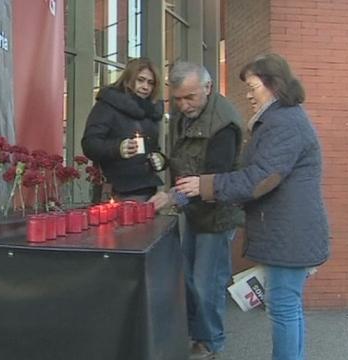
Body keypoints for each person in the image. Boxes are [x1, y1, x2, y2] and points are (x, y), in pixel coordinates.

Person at [157, 53, 330, 360]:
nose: (248, 94)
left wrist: (203, 185)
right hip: (286, 230)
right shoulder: (279, 119)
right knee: (287, 307)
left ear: (273, 85)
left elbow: (260, 178)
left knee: (283, 308)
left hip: (289, 232)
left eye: (253, 86)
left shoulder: (283, 123)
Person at [149, 61, 245, 360]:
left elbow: (213, 181)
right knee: (190, 279)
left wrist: (171, 197)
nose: (183, 105)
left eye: (189, 97)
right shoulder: (184, 115)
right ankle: (196, 337)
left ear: (208, 87)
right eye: (177, 98)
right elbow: (185, 158)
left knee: (206, 284)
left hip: (216, 215)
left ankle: (210, 343)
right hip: (193, 211)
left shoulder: (224, 125)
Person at [81, 57, 165, 203]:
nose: (145, 87)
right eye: (141, 80)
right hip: (118, 191)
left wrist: (162, 160)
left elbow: (153, 149)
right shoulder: (108, 106)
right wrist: (117, 148)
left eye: (150, 83)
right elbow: (90, 144)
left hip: (149, 190)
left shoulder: (150, 112)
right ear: (128, 80)